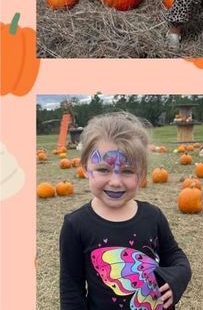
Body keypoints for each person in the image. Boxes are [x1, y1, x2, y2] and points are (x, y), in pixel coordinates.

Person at [59, 112, 192, 309]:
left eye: (128, 171)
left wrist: (176, 279)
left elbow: (175, 256)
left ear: (142, 175)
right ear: (86, 167)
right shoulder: (75, 225)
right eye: (103, 170)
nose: (115, 182)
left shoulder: (153, 216)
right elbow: (71, 289)